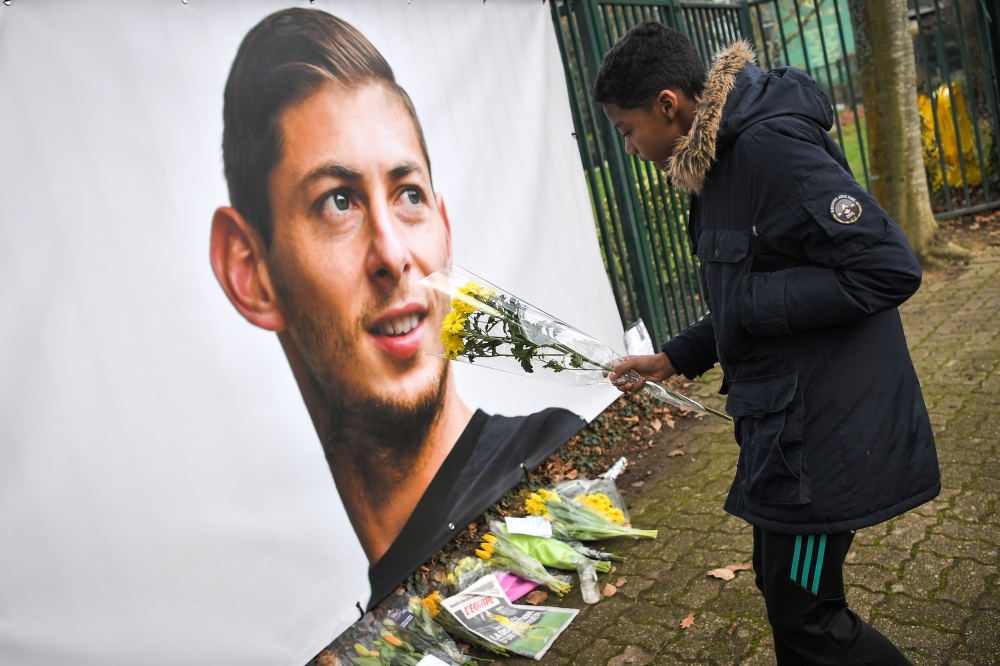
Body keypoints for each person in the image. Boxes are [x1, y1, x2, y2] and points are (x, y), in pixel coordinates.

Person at [209, 8, 584, 605]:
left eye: (408, 195)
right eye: (338, 202)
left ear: (444, 227)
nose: (393, 254)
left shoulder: (555, 471)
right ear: (250, 272)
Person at [600, 22, 938, 665]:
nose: (629, 146)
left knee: (807, 613)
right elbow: (746, 283)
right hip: (782, 427)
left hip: (822, 435)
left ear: (668, 105)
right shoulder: (719, 162)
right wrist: (676, 357)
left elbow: (889, 267)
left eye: (626, 130)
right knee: (785, 597)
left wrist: (755, 307)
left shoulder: (767, 151)